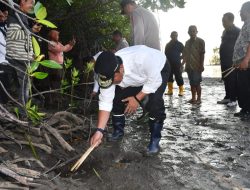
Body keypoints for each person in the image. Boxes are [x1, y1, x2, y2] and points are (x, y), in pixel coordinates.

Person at [90, 45, 170, 154]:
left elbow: (154, 81)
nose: (110, 84)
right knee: (116, 98)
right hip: (135, 79)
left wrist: (136, 99)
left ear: (121, 69)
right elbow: (105, 103)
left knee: (155, 103)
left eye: (112, 80)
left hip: (158, 70)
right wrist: (99, 131)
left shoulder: (142, 58)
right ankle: (118, 132)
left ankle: (155, 142)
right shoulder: (108, 71)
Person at [6, 0, 42, 105]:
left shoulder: (23, 16)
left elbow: (25, 39)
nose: (33, 6)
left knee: (25, 88)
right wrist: (31, 30)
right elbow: (12, 35)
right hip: (17, 58)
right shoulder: (14, 15)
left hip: (24, 58)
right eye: (30, 2)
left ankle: (23, 113)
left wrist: (31, 54)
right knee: (22, 89)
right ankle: (22, 114)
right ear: (22, 2)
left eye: (34, 4)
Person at [217, 13, 240, 107]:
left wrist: (238, 60)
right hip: (224, 59)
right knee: (226, 78)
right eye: (222, 21)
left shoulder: (238, 31)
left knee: (232, 79)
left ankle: (233, 99)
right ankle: (227, 97)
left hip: (233, 60)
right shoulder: (224, 31)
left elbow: (241, 46)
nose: (223, 23)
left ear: (231, 20)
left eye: (224, 21)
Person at [232, 1, 250, 118]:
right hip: (242, 61)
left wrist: (246, 59)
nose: (240, 14)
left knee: (245, 86)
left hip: (246, 62)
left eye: (241, 11)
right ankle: (245, 109)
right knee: (242, 86)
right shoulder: (246, 24)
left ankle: (247, 110)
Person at [182, 25, 205, 104]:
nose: (192, 32)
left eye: (194, 31)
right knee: (192, 83)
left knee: (197, 83)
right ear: (188, 32)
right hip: (189, 67)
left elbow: (202, 54)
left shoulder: (201, 41)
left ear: (196, 32)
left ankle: (199, 98)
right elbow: (185, 54)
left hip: (197, 66)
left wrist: (201, 65)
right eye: (190, 31)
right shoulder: (187, 42)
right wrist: (182, 64)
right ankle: (193, 98)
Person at [165, 31, 184, 96]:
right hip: (169, 64)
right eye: (173, 35)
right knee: (169, 77)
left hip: (177, 64)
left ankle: (181, 91)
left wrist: (180, 58)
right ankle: (170, 91)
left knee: (178, 77)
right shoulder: (167, 45)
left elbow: (185, 54)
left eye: (176, 35)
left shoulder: (180, 44)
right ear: (170, 36)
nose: (174, 37)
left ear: (177, 36)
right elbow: (165, 55)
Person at [0, 3, 9, 104]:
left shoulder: (5, 26)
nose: (4, 17)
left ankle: (4, 105)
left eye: (6, 15)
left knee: (5, 84)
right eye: (3, 15)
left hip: (5, 61)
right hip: (1, 59)